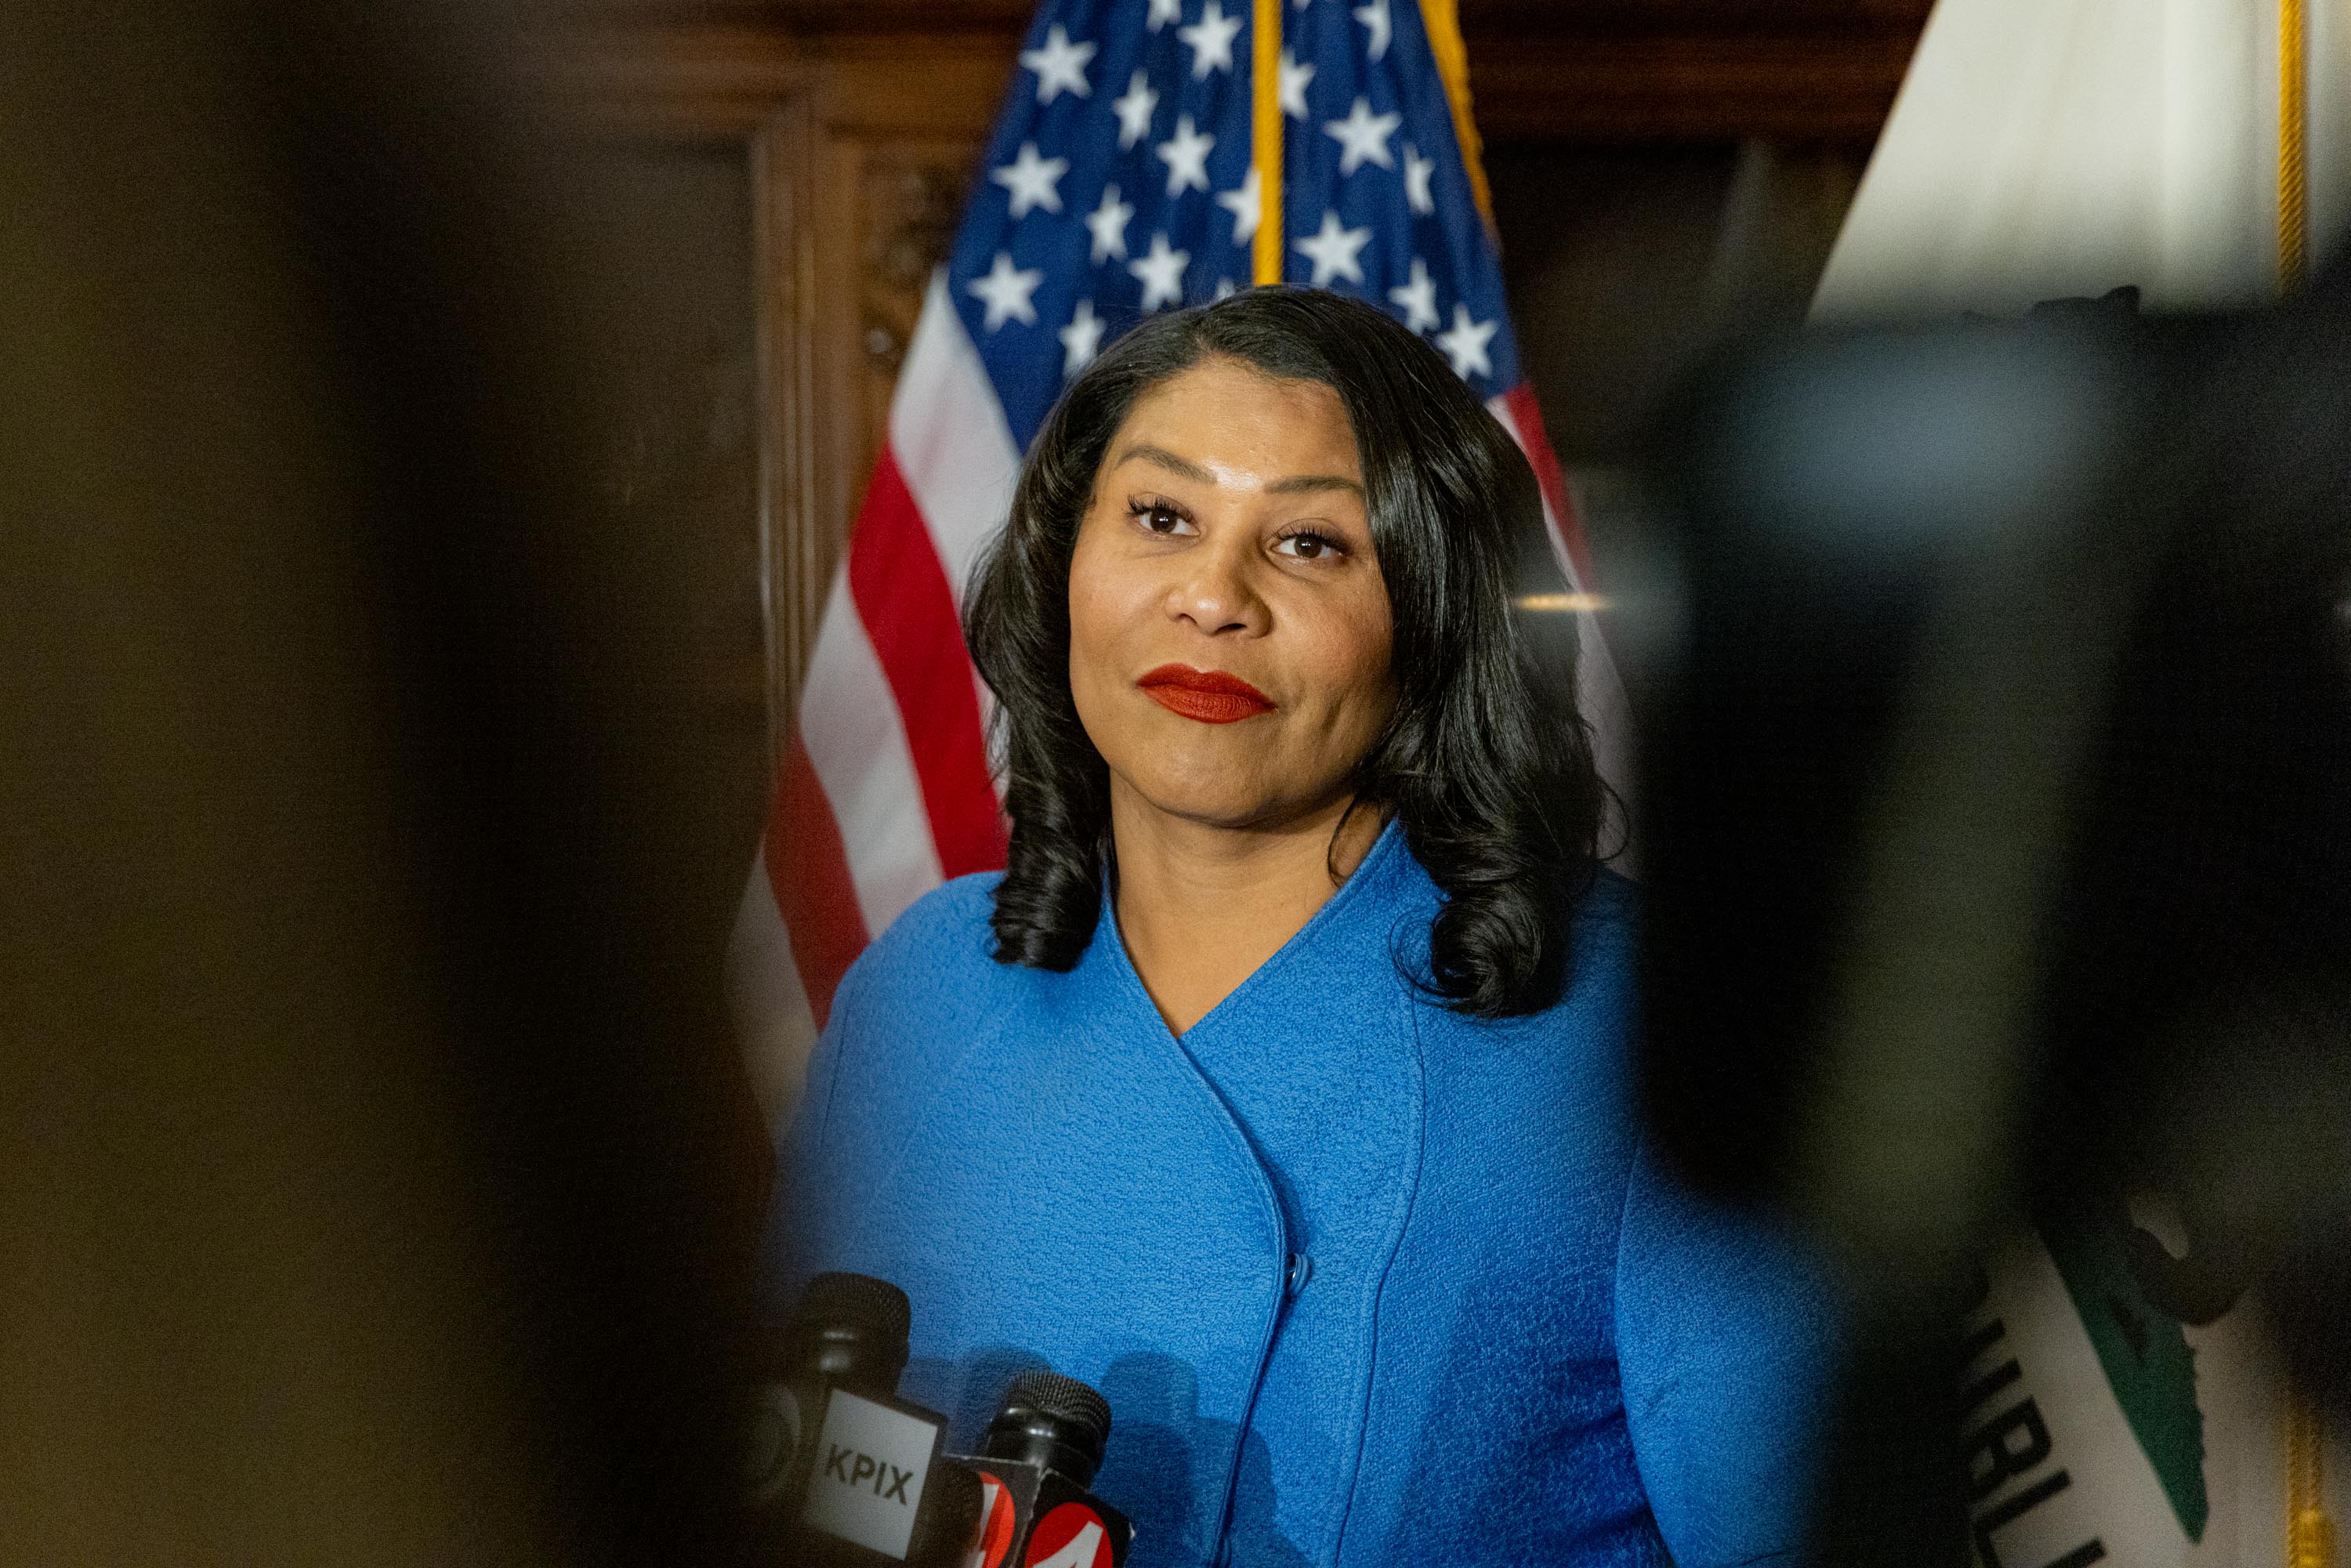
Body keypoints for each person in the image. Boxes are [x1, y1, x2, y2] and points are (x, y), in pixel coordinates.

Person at [769, 288, 1836, 1567]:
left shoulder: (1654, 1019)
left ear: (1436, 616)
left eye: (1312, 544)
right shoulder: (921, 990)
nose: (1214, 596)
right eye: (1162, 516)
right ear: (1064, 567)